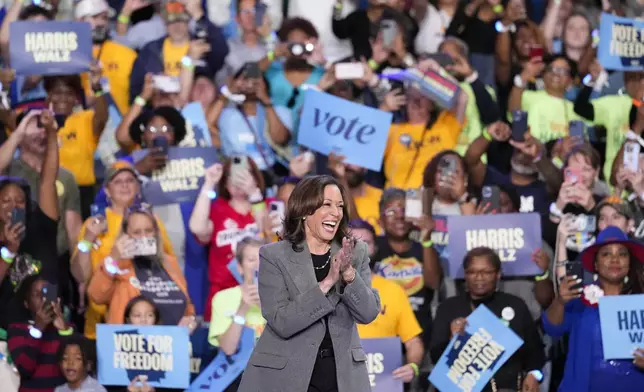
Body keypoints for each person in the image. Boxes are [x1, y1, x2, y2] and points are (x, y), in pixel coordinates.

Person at [238, 175, 380, 392]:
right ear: (305, 210)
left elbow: (368, 313)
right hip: (286, 375)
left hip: (341, 375)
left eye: (340, 206)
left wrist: (349, 274)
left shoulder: (355, 251)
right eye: (327, 205)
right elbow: (281, 321)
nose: (336, 212)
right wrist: (328, 283)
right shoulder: (274, 256)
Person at [71, 161, 175, 340]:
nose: (125, 185)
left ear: (137, 187)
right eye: (118, 181)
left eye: (130, 180)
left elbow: (168, 267)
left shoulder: (152, 222)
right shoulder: (94, 224)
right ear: (107, 190)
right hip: (100, 324)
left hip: (146, 321)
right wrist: (87, 240)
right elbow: (80, 276)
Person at [431, 247, 546, 391]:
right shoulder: (449, 308)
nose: (479, 277)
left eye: (486, 272)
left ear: (498, 274)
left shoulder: (515, 305)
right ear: (465, 275)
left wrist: (533, 374)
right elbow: (435, 357)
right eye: (472, 272)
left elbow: (536, 351)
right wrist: (452, 340)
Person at [543, 226, 644, 391]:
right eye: (606, 254)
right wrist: (560, 302)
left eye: (622, 254)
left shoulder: (641, 302)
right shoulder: (579, 298)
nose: (615, 259)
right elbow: (552, 328)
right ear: (595, 264)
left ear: (629, 263)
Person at [190, 159, 278, 321]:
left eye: (244, 174)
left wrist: (254, 195)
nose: (238, 180)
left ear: (255, 177)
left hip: (264, 294)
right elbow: (198, 229)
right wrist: (208, 184)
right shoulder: (217, 209)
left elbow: (271, 239)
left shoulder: (269, 205)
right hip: (224, 296)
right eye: (232, 175)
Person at [87, 206, 195, 330]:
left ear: (156, 233)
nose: (144, 237)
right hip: (129, 343)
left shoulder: (169, 262)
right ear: (126, 235)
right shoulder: (117, 264)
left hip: (170, 343)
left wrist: (190, 319)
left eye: (148, 231)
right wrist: (113, 260)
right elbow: (96, 296)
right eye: (137, 232)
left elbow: (187, 304)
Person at [0, 110, 59, 330]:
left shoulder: (40, 227)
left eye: (19, 201)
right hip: (4, 335)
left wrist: (52, 133)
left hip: (47, 330)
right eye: (5, 201)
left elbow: (48, 181)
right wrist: (8, 252)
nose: (13, 206)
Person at [351, 219, 425, 387]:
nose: (360, 248)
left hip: (383, 384)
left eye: (366, 243)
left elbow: (413, 341)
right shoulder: (327, 289)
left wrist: (412, 366)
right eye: (354, 242)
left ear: (375, 248)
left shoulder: (393, 291)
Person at [209, 237, 266, 392]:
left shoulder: (284, 297)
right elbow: (228, 348)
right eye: (251, 259)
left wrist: (267, 306)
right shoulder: (223, 298)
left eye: (262, 258)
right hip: (236, 378)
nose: (257, 265)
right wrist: (243, 308)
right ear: (239, 267)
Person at [8, 275, 72, 392]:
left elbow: (77, 367)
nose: (43, 299)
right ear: (27, 303)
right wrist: (38, 329)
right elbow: (25, 369)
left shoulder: (68, 329)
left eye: (46, 293)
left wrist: (63, 329)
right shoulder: (17, 330)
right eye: (37, 295)